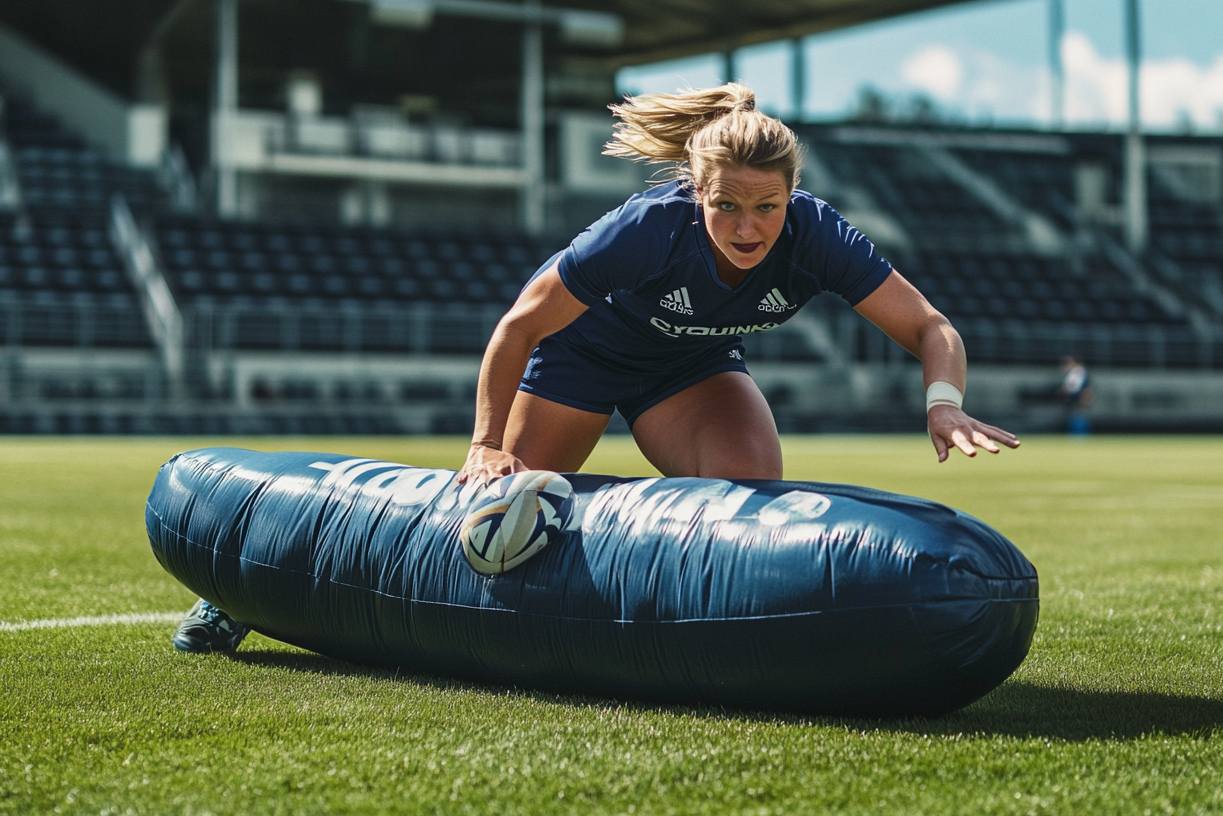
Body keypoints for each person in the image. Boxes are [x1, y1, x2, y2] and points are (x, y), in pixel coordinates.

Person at [172, 83, 1018, 653]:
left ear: (792, 198)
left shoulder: (818, 236)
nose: (749, 227)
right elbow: (518, 326)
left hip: (688, 370)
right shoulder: (645, 230)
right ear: (696, 190)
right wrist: (484, 444)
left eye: (767, 207)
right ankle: (251, 594)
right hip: (581, 359)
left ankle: (632, 566)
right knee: (483, 529)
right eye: (727, 205)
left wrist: (943, 403)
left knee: (747, 486)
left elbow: (929, 326)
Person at [1058, 355, 1093, 435]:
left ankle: (1080, 436)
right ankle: (1078, 436)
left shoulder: (1077, 371)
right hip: (1076, 399)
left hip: (1079, 398)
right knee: (1077, 417)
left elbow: (1074, 387)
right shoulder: (1075, 372)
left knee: (1079, 418)